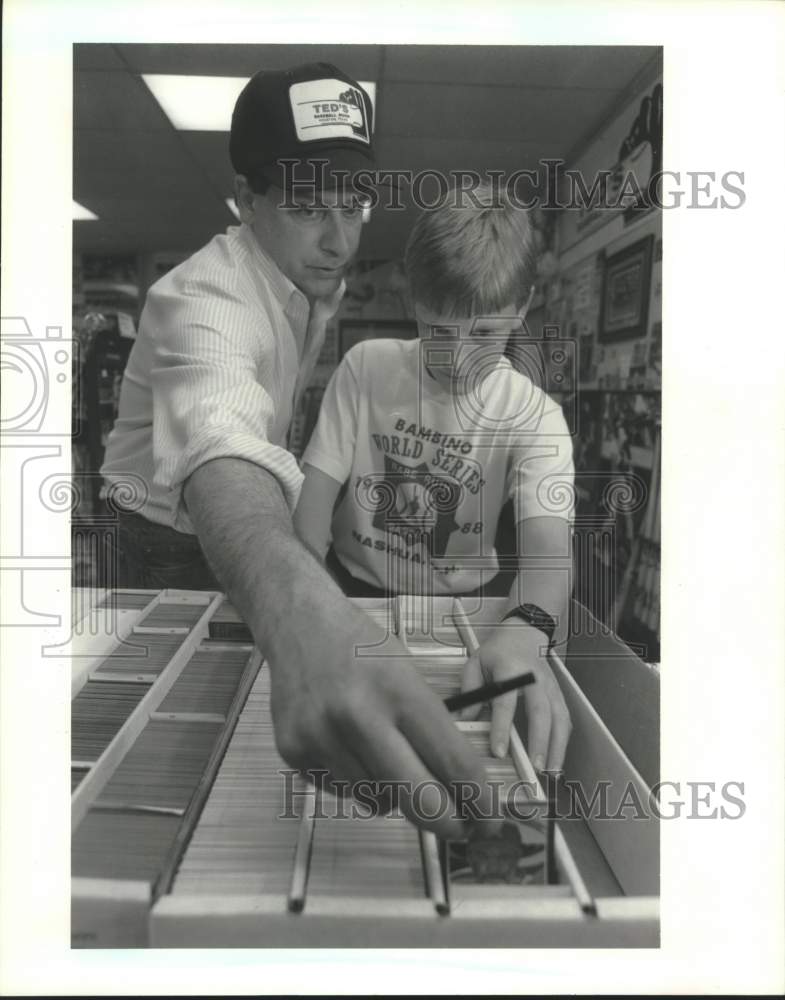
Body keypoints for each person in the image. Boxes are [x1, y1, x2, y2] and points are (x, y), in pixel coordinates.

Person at [100, 62, 567, 837]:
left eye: (354, 205)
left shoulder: (313, 276)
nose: (339, 239)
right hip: (166, 533)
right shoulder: (201, 299)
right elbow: (220, 447)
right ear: (245, 201)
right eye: (308, 208)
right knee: (181, 735)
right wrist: (303, 606)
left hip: (260, 519)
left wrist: (526, 627)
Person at [294, 182, 573, 765]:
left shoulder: (536, 416)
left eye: (486, 334)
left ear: (522, 308)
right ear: (414, 303)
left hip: (468, 612)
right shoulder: (365, 367)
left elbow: (549, 552)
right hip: (353, 591)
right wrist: (308, 608)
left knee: (460, 745)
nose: (458, 359)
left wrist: (526, 630)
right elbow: (312, 509)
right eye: (439, 331)